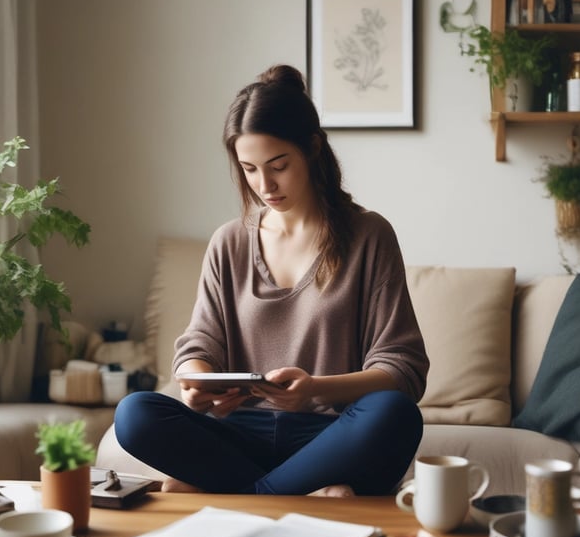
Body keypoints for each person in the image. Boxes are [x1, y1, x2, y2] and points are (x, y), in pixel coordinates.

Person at [114, 64, 429, 496]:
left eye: (278, 165)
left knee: (396, 413)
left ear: (313, 149)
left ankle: (253, 496)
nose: (265, 185)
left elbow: (402, 368)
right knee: (134, 413)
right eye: (249, 169)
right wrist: (196, 385)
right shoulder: (229, 241)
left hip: (331, 437)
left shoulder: (369, 236)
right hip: (240, 437)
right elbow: (198, 346)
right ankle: (292, 494)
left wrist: (314, 390)